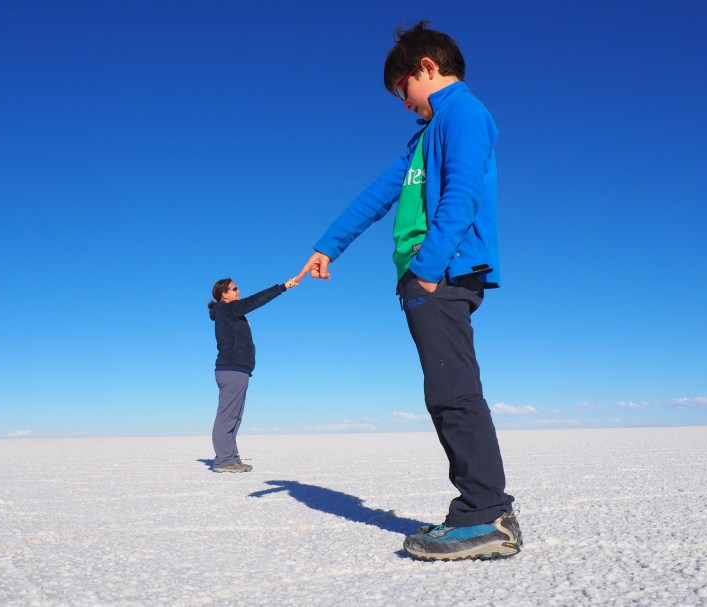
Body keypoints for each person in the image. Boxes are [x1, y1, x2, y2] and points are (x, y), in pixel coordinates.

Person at [295, 21, 521, 561]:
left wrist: (427, 268)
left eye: (402, 89)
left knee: (454, 392)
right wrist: (329, 245)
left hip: (442, 274)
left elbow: (463, 192)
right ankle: (482, 510)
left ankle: (486, 515)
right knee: (445, 391)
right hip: (426, 277)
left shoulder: (464, 114)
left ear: (426, 67)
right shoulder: (426, 135)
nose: (403, 103)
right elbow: (378, 195)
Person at [207, 277, 297, 473]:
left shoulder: (229, 311)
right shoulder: (226, 309)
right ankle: (223, 461)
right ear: (224, 294)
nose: (238, 291)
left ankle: (231, 458)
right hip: (231, 369)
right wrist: (282, 287)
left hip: (238, 370)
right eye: (234, 289)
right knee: (227, 417)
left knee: (235, 418)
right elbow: (254, 301)